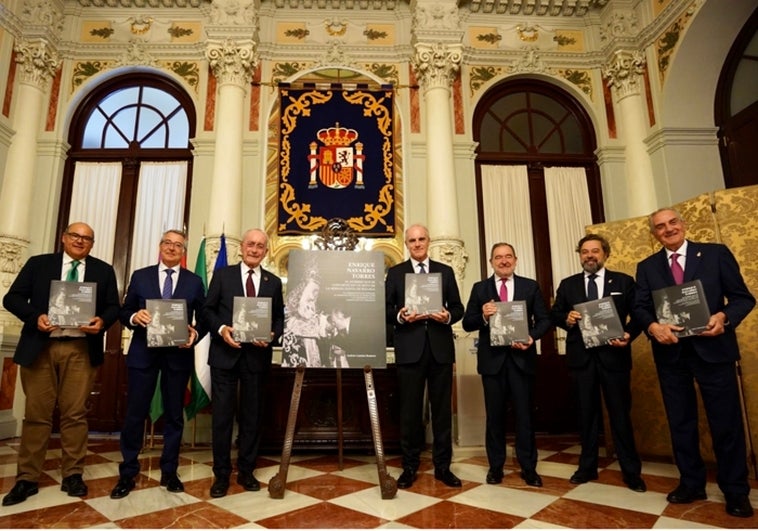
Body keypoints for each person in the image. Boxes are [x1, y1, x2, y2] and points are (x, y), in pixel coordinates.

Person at [633, 207, 755, 518]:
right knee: (681, 421)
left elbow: (743, 298)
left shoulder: (714, 254)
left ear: (683, 224)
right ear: (654, 234)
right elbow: (642, 307)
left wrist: (724, 317)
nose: (668, 229)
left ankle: (736, 490)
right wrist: (652, 327)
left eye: (673, 222)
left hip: (713, 351)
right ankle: (691, 482)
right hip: (671, 354)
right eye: (660, 226)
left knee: (725, 422)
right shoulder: (647, 267)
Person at [2, 222, 120, 506]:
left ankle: (73, 474)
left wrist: (102, 321)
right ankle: (27, 478)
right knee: (37, 415)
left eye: (87, 238)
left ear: (92, 244)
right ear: (64, 237)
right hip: (40, 347)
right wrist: (35, 317)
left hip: (80, 349)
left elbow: (113, 307)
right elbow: (12, 298)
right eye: (75, 236)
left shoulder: (103, 270)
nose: (80, 241)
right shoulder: (39, 264)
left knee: (75, 414)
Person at [109, 230, 206, 499]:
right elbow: (123, 311)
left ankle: (169, 472)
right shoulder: (141, 275)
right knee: (135, 414)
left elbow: (206, 316)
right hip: (143, 354)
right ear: (160, 246)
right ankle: (128, 473)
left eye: (178, 245)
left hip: (177, 356)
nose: (172, 248)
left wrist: (195, 334)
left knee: (174, 416)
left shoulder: (195, 282)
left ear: (183, 251)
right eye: (167, 243)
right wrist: (134, 317)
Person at [550, 234, 646, 492]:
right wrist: (567, 318)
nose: (589, 255)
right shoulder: (568, 284)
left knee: (620, 415)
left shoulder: (624, 282)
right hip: (582, 359)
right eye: (584, 251)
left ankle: (631, 471)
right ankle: (587, 466)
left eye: (594, 251)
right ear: (579, 255)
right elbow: (555, 313)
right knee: (586, 414)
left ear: (605, 253)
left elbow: (640, 313)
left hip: (614, 356)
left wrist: (629, 334)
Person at [201, 228, 284, 498]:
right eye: (251, 244)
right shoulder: (223, 275)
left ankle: (247, 471)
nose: (255, 249)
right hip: (225, 356)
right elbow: (207, 310)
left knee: (252, 418)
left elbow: (279, 318)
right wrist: (223, 329)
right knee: (223, 419)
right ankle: (221, 475)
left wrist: (272, 334)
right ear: (242, 247)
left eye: (261, 246)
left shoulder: (272, 282)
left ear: (266, 251)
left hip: (256, 358)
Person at [462, 242, 551, 487]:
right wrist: (482, 315)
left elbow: (545, 320)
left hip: (522, 360)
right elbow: (468, 322)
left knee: (524, 416)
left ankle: (528, 468)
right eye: (498, 257)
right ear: (491, 262)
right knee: (495, 417)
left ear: (515, 259)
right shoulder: (480, 288)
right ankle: (496, 467)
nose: (503, 261)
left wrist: (532, 337)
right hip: (493, 363)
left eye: (508, 256)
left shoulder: (529, 286)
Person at [385, 224, 464, 489]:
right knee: (410, 412)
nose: (417, 244)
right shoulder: (396, 273)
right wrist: (400, 316)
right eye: (412, 241)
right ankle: (409, 467)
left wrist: (448, 316)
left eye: (421, 239)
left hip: (440, 350)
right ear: (406, 244)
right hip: (409, 350)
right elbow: (385, 309)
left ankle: (443, 467)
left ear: (428, 241)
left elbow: (458, 307)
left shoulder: (445, 271)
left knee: (441, 413)